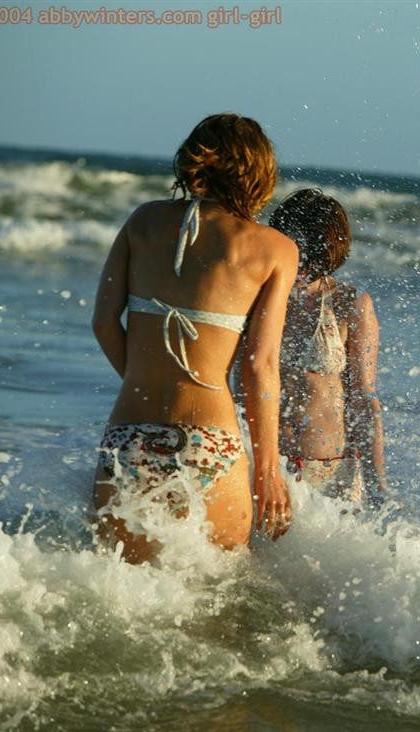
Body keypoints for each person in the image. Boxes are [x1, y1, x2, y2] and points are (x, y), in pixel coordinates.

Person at [92, 113, 298, 564]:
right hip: (212, 441)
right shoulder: (275, 249)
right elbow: (259, 365)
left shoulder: (142, 222)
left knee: (120, 594)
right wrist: (268, 472)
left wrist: (142, 380)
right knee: (220, 603)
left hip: (129, 435)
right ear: (260, 171)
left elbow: (105, 322)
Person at [268, 189, 388, 505]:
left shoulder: (350, 303)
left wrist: (378, 484)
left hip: (329, 473)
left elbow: (364, 397)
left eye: (312, 254)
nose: (302, 263)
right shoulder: (252, 297)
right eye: (294, 249)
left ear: (330, 253)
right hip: (261, 465)